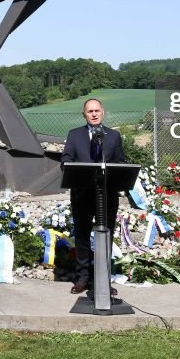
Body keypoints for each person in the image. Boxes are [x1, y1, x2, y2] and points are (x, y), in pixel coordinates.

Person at [60, 98, 127, 295]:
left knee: (106, 235)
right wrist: (69, 168)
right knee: (81, 236)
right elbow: (66, 158)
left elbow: (120, 162)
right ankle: (82, 278)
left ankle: (103, 279)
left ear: (103, 113)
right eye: (90, 111)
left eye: (97, 110)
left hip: (106, 194)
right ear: (84, 115)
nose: (94, 114)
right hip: (82, 193)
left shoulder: (113, 136)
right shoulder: (75, 135)